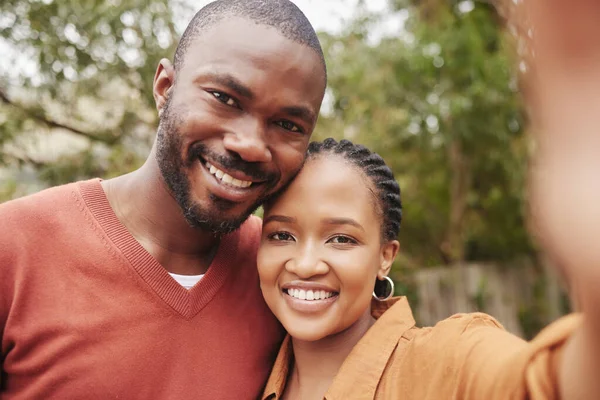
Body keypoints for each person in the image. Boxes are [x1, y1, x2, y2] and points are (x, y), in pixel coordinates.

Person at [0, 0, 326, 398]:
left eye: (288, 125)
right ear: (164, 88)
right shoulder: (13, 246)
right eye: (224, 98)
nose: (251, 146)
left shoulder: (288, 275)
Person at [257, 138, 594, 399]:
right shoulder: (248, 371)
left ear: (385, 256)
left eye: (341, 239)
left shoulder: (447, 361)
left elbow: (548, 383)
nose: (305, 264)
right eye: (282, 235)